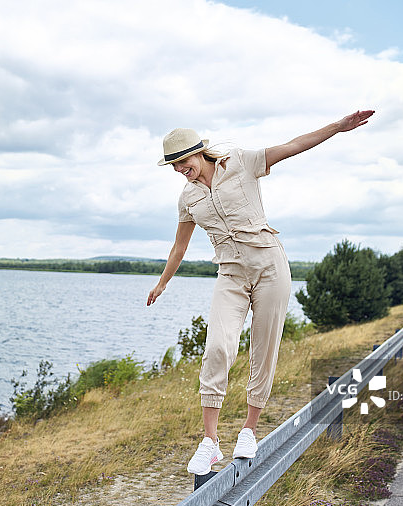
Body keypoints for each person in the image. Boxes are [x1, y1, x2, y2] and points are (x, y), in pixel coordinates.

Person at [146, 110, 375, 475]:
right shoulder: (187, 198)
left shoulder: (241, 161)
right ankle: (210, 441)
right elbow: (179, 247)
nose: (179, 169)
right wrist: (162, 282)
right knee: (218, 346)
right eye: (172, 165)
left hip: (270, 267)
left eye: (182, 161)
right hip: (231, 273)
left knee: (264, 350)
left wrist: (337, 127)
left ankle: (249, 429)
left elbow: (293, 146)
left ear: (199, 153)